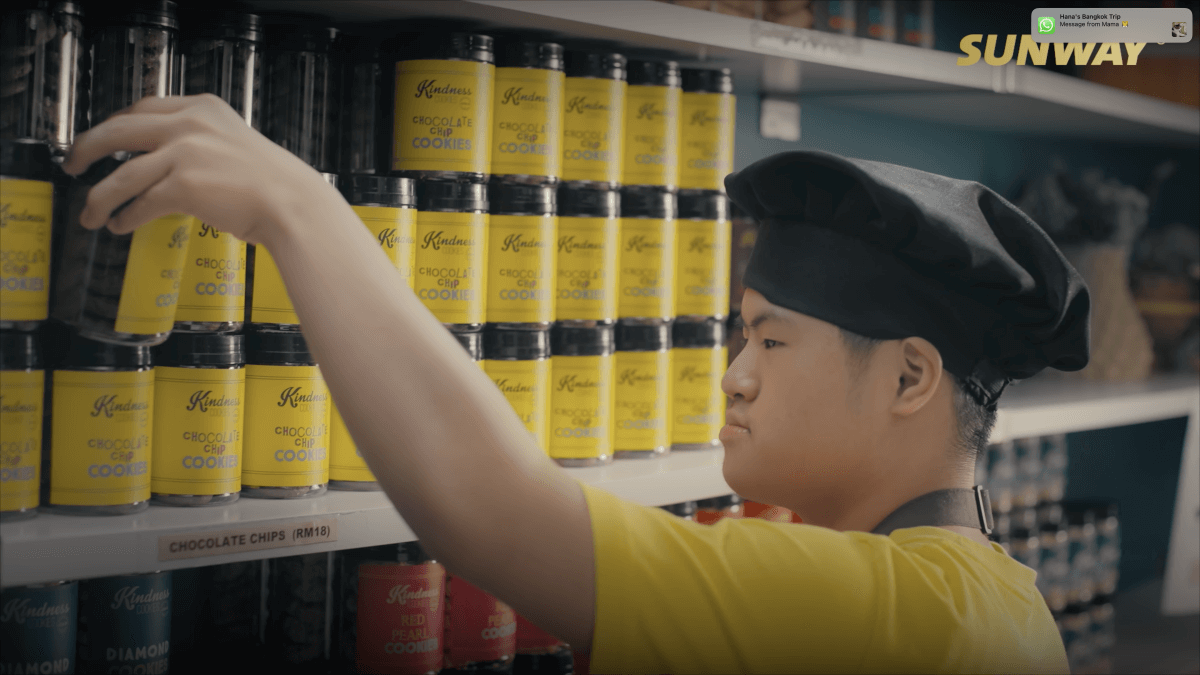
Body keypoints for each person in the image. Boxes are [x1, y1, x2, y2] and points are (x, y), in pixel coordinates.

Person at [64, 94, 1089, 674]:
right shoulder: (997, 604)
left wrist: (299, 207)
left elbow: (493, 509)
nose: (733, 379)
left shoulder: (902, 616)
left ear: (911, 375)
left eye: (770, 344)